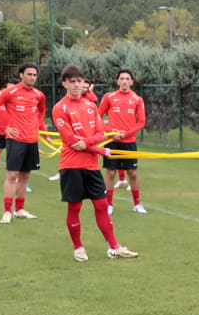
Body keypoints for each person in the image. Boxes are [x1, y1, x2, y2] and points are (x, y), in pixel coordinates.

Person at [53, 64, 139, 262]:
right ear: (65, 83)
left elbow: (100, 134)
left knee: (101, 205)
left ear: (84, 84)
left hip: (91, 166)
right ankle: (78, 248)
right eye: (72, 81)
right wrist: (100, 150)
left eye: (79, 81)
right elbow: (71, 141)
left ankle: (114, 247)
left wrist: (91, 144)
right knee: (74, 208)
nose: (76, 85)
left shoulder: (91, 106)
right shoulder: (59, 108)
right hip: (71, 165)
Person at [0, 64, 48, 224]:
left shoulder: (39, 95)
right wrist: (3, 127)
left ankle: (19, 209)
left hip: (32, 140)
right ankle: (7, 211)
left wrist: (37, 124)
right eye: (29, 74)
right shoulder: (10, 92)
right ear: (21, 75)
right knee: (12, 175)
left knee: (25, 176)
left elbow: (42, 111)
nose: (33, 77)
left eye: (35, 75)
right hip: (15, 140)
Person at [98, 68, 148, 215]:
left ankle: (137, 204)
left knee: (132, 173)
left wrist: (125, 134)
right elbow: (97, 117)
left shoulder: (137, 99)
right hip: (111, 141)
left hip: (129, 142)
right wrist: (110, 132)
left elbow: (141, 122)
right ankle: (108, 204)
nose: (125, 81)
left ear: (132, 81)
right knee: (111, 173)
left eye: (127, 78)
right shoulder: (109, 97)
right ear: (118, 81)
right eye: (122, 78)